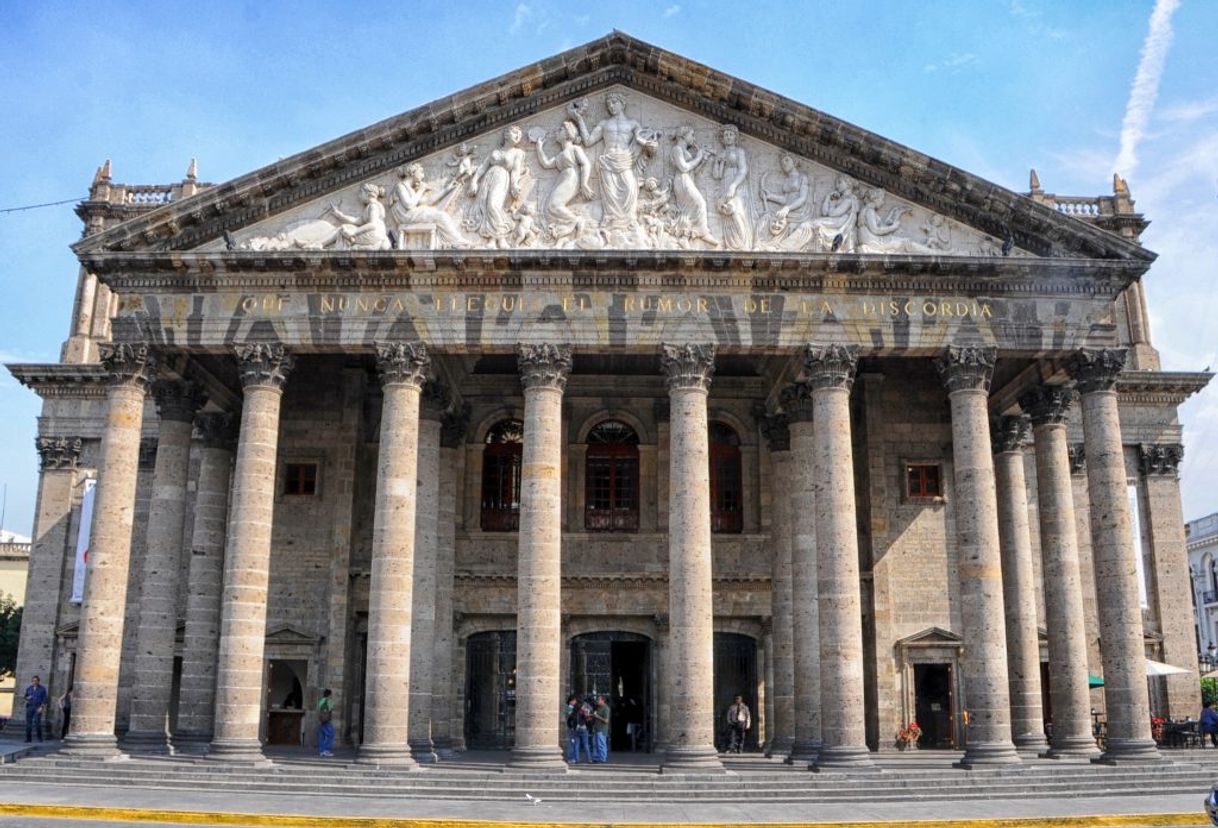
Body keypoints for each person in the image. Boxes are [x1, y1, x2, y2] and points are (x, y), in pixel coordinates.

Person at [565, 693, 592, 763]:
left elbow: (570, 719)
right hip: (583, 728)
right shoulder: (583, 709)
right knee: (586, 744)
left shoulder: (573, 710)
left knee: (576, 745)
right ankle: (589, 759)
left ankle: (576, 759)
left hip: (575, 729)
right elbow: (588, 718)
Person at [23, 675, 48, 743]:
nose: (34, 682)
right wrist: (27, 698)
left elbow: (45, 699)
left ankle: (39, 738)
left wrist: (41, 707)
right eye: (33, 681)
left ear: (38, 681)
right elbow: (25, 696)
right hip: (30, 707)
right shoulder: (29, 688)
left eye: (36, 681)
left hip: (38, 707)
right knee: (28, 724)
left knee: (37, 723)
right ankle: (28, 739)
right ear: (32, 681)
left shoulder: (42, 689)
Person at [591, 694, 611, 763]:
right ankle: (595, 758)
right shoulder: (598, 707)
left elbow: (606, 720)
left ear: (603, 700)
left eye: (598, 699)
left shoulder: (606, 708)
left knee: (601, 744)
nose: (597, 701)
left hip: (602, 729)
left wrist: (597, 716)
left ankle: (603, 758)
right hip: (596, 728)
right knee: (595, 744)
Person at [317, 688, 334, 757]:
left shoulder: (320, 701)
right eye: (331, 694)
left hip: (321, 720)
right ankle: (326, 750)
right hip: (327, 720)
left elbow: (317, 709)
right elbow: (330, 708)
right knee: (331, 734)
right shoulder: (329, 701)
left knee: (322, 736)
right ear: (329, 695)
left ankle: (321, 750)